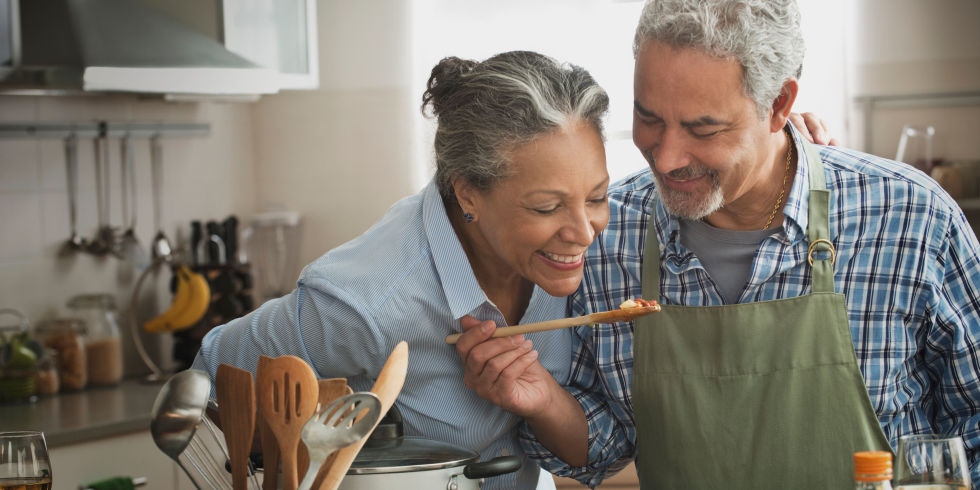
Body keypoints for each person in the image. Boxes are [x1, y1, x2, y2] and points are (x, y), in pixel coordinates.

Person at [454, 1, 980, 488]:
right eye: (648, 118)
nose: (665, 159)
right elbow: (609, 447)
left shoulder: (910, 217)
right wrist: (544, 399)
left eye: (703, 129)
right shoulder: (604, 235)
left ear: (779, 104)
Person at [191, 50, 612, 490]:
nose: (584, 231)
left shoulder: (577, 259)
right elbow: (209, 381)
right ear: (467, 193)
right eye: (547, 207)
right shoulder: (366, 300)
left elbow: (587, 454)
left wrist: (544, 400)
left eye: (597, 197)